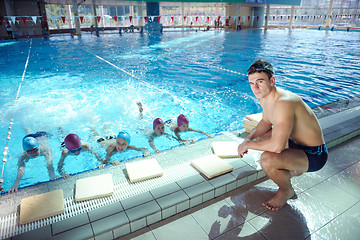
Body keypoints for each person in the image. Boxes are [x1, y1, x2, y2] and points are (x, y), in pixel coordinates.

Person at [237, 59, 328, 211]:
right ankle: (292, 167)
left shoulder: (284, 102)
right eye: (252, 83)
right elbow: (266, 122)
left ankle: (286, 190)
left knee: (267, 159)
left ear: (272, 80)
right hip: (295, 144)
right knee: (263, 136)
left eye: (260, 82)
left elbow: (277, 147)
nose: (255, 88)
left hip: (314, 155)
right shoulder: (265, 97)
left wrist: (247, 145)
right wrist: (249, 139)